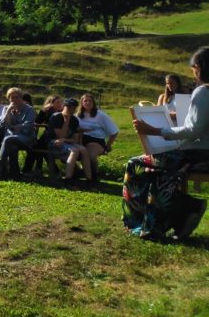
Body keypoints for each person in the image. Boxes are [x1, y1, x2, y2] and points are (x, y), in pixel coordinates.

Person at [129, 46, 209, 241]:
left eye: (193, 68)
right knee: (153, 165)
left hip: (198, 154)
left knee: (137, 165)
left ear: (198, 67)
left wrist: (155, 131)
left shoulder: (202, 92)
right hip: (202, 152)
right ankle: (182, 212)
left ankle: (153, 224)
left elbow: (194, 131)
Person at [0, 88, 37, 180]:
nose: (15, 100)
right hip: (11, 137)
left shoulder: (29, 109)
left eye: (17, 97)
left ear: (21, 97)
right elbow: (3, 124)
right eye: (12, 98)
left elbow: (27, 126)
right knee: (12, 147)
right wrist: (8, 112)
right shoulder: (6, 108)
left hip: (26, 137)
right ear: (9, 99)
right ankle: (14, 174)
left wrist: (12, 126)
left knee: (8, 139)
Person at [46, 98, 91, 186]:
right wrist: (66, 120)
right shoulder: (56, 117)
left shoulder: (74, 120)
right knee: (75, 150)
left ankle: (89, 178)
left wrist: (65, 140)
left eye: (73, 108)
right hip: (53, 142)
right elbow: (60, 136)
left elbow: (75, 139)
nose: (71, 110)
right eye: (69, 107)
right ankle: (68, 179)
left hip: (66, 142)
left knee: (83, 150)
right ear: (63, 106)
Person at [77, 92, 118, 184]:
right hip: (80, 139)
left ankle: (94, 176)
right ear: (82, 103)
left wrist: (108, 145)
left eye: (90, 101)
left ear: (94, 103)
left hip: (96, 140)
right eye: (85, 101)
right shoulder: (78, 115)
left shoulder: (100, 115)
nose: (87, 103)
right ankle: (79, 173)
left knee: (90, 155)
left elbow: (114, 132)